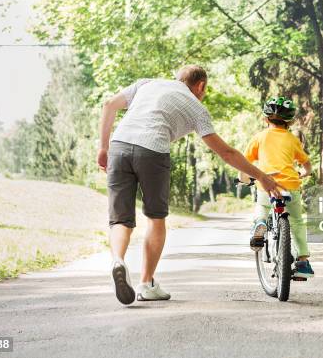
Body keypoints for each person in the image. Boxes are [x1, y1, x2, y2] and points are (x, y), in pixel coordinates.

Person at [97, 65, 283, 305]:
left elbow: (109, 105)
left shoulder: (147, 83)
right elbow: (226, 153)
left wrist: (103, 147)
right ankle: (146, 283)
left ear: (177, 78)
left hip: (120, 145)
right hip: (153, 151)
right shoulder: (196, 107)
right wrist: (263, 177)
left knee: (120, 219)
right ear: (201, 86)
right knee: (155, 218)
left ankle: (118, 260)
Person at [240, 96, 314, 278]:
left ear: (265, 119)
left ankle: (260, 223)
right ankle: (303, 262)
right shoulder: (292, 139)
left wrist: (244, 178)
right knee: (296, 221)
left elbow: (244, 162)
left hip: (266, 182)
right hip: (290, 185)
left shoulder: (259, 137)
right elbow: (306, 164)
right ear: (290, 121)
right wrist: (304, 173)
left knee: (262, 206)